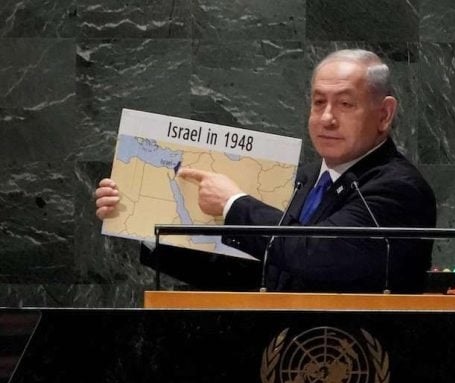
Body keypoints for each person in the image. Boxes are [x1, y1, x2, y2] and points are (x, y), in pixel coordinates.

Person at [96, 49, 436, 293]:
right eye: (319, 102)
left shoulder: (398, 187)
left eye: (345, 104)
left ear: (384, 114)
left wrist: (234, 205)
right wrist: (143, 222)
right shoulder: (305, 179)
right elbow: (256, 273)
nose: (327, 118)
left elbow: (318, 255)